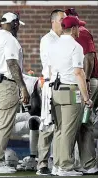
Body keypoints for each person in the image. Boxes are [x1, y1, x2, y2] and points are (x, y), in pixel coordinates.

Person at [0, 12, 29, 174]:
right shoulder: (10, 40)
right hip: (4, 84)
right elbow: (12, 63)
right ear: (14, 23)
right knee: (3, 125)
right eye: (17, 24)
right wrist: (23, 87)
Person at [48, 16, 92, 176]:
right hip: (71, 90)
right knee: (69, 130)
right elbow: (78, 73)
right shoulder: (76, 46)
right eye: (78, 27)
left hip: (55, 90)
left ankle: (58, 165)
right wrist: (87, 98)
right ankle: (65, 167)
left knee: (59, 129)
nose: (79, 30)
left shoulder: (54, 44)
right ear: (73, 29)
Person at [65, 8, 98, 175]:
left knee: (84, 122)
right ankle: (83, 162)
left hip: (86, 81)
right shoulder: (66, 41)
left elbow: (89, 57)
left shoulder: (82, 33)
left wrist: (85, 81)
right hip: (80, 81)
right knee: (78, 122)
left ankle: (89, 163)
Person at [37, 9, 66, 176]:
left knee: (63, 126)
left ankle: (60, 162)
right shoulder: (48, 40)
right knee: (47, 125)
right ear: (53, 21)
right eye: (62, 19)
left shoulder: (64, 39)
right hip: (51, 85)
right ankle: (42, 164)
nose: (64, 22)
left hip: (64, 85)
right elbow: (51, 64)